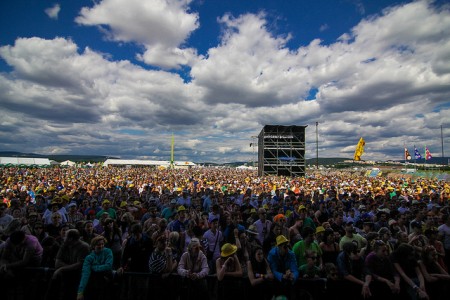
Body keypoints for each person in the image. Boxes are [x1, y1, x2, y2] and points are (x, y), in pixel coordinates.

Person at [45, 229, 90, 300]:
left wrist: (61, 268)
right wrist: (70, 267)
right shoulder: (64, 245)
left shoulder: (84, 247)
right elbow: (57, 262)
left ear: (70, 238)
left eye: (65, 236)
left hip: (78, 278)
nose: (63, 237)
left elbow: (80, 265)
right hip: (65, 276)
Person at [76, 236, 114, 300]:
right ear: (93, 246)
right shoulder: (89, 258)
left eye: (102, 244)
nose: (101, 246)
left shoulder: (108, 251)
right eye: (98, 244)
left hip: (106, 284)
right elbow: (85, 274)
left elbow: (108, 265)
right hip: (93, 285)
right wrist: (80, 292)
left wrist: (94, 268)